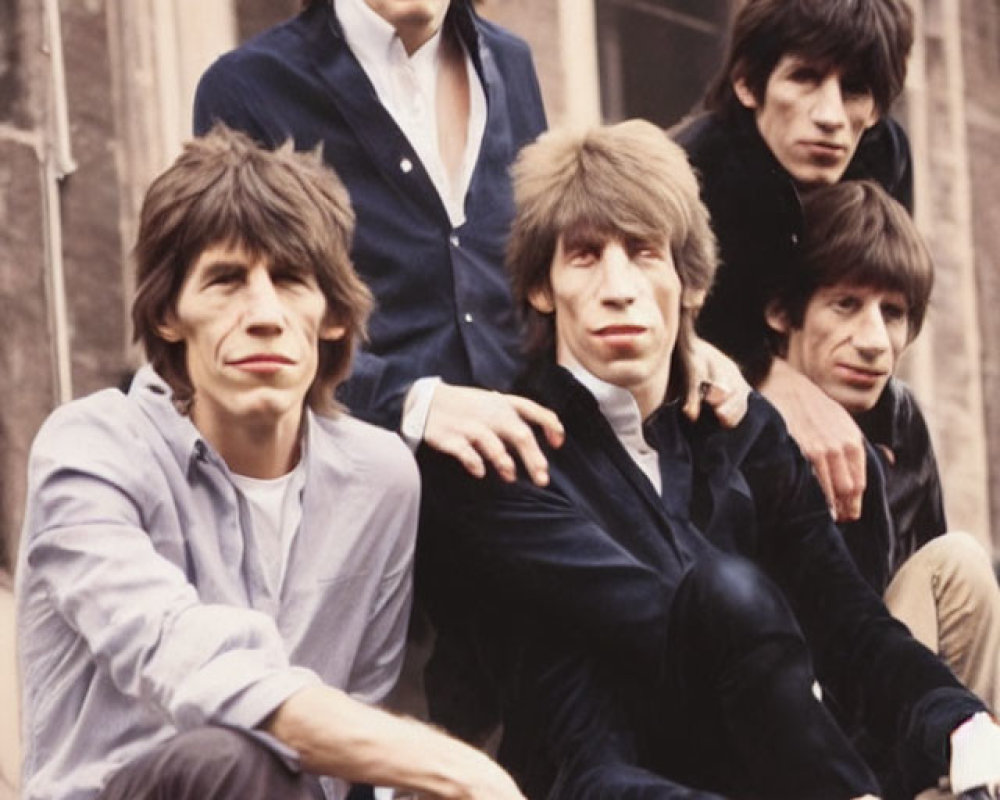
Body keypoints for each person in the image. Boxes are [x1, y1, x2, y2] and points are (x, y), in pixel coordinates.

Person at [417, 120, 1000, 800]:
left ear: (690, 283)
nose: (618, 287)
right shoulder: (507, 454)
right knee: (731, 594)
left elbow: (848, 619)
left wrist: (960, 721)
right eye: (584, 256)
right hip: (602, 784)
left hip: (783, 763)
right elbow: (583, 755)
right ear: (543, 288)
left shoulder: (740, 429)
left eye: (643, 253)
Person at [15, 126, 527, 800]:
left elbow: (357, 739)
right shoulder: (90, 449)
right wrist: (464, 771)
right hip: (151, 786)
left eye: (290, 280)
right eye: (227, 280)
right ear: (169, 313)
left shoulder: (379, 479)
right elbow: (192, 666)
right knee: (232, 759)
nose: (264, 315)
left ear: (334, 316)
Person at [763, 179, 1000, 715]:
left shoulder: (901, 419)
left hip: (886, 695)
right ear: (782, 311)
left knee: (959, 564)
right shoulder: (736, 417)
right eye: (846, 304)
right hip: (778, 720)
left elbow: (935, 596)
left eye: (892, 314)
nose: (873, 342)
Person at [673, 0, 915, 522]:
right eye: (805, 79)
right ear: (747, 84)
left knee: (903, 419)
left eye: (854, 90)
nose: (830, 117)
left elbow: (891, 291)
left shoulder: (884, 155)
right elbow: (659, 332)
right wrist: (773, 381)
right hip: (705, 419)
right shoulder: (692, 173)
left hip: (828, 379)